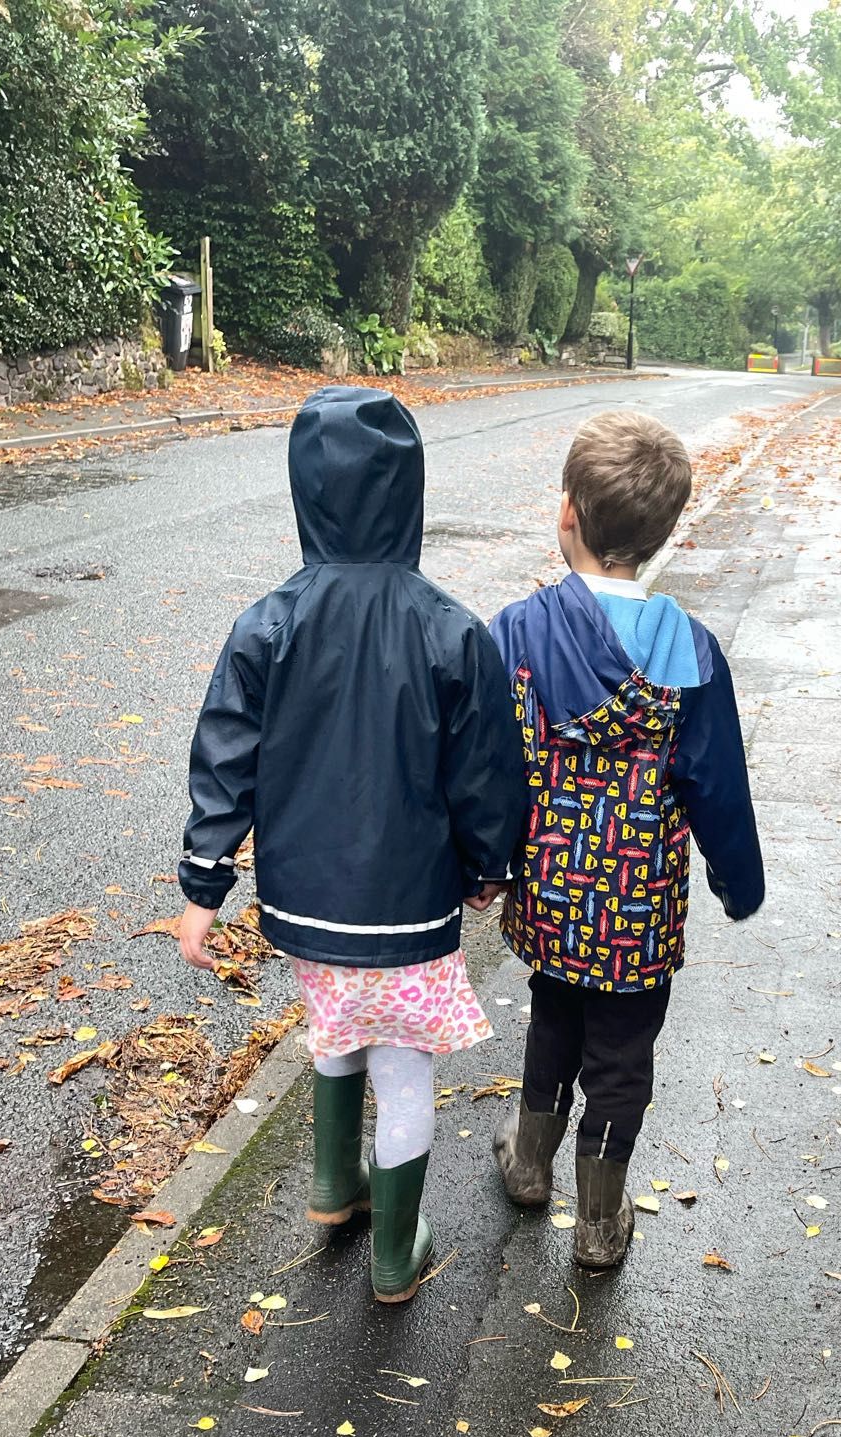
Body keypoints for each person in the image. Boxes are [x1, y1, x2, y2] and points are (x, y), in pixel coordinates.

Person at [177, 386, 525, 1303]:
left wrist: (201, 887)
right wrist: (490, 865)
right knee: (403, 1069)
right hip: (407, 905)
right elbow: (485, 769)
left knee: (334, 1025)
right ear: (409, 489)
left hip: (303, 901)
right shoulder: (452, 629)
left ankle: (335, 1189)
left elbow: (225, 757)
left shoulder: (269, 622)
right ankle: (394, 1254)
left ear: (306, 493)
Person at [489, 408, 764, 1270]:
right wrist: (738, 882)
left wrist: (481, 864)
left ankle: (529, 1164)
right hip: (637, 912)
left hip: (551, 899)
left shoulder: (518, 632)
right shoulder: (692, 653)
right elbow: (716, 783)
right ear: (663, 529)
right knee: (621, 1055)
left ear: (567, 511)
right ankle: (601, 1223)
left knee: (552, 1017)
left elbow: (487, 766)